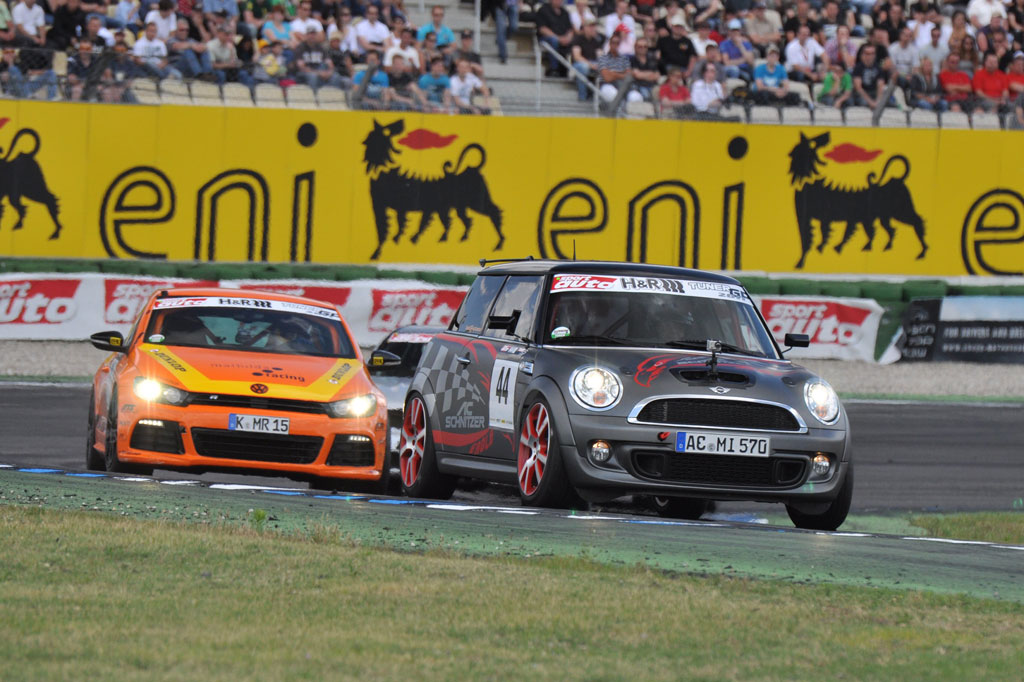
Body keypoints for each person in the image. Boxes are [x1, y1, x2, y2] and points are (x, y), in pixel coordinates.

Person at [597, 31, 639, 109]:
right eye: (613, 43)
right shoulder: (603, 59)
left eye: (617, 43)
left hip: (621, 85)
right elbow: (607, 77)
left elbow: (628, 75)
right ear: (609, 44)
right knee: (614, 94)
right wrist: (621, 74)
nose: (615, 45)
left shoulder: (624, 59)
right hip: (607, 85)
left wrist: (613, 74)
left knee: (635, 96)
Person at [536, 0, 573, 76]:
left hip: (564, 39)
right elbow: (542, 29)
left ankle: (570, 71)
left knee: (576, 41)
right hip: (546, 39)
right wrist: (558, 38)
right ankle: (554, 69)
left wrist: (568, 38)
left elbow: (570, 29)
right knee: (554, 40)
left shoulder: (565, 12)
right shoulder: (543, 10)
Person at [570, 18, 602, 100]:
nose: (593, 28)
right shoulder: (578, 39)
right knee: (583, 67)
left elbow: (600, 55)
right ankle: (582, 96)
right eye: (590, 26)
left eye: (594, 26)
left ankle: (598, 98)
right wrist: (591, 65)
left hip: (593, 63)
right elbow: (577, 56)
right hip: (579, 64)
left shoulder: (596, 40)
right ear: (584, 27)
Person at [852, 42, 889, 108]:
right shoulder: (858, 68)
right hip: (862, 95)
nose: (870, 56)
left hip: (874, 93)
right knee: (863, 103)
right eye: (867, 53)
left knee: (890, 103)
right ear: (862, 55)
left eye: (872, 53)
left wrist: (878, 101)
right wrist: (871, 102)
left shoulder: (878, 68)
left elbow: (880, 86)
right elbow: (858, 88)